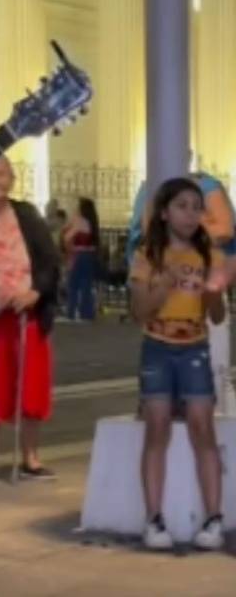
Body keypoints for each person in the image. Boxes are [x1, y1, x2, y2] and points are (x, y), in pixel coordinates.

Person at [131, 177, 225, 551]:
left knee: (203, 428)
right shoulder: (148, 255)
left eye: (196, 208)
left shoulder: (209, 256)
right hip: (156, 348)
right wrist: (164, 284)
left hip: (195, 349)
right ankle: (153, 519)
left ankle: (214, 518)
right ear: (165, 213)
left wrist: (214, 294)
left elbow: (216, 316)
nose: (190, 215)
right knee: (157, 428)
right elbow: (139, 311)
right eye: (182, 206)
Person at [0, 158, 60, 484]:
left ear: (12, 179)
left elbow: (49, 262)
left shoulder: (27, 215)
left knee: (31, 384)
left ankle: (31, 458)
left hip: (25, 313)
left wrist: (35, 293)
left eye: (1, 174)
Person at [61, 197, 100, 322]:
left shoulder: (77, 221)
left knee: (73, 285)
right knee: (86, 285)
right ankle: (86, 313)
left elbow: (67, 238)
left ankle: (71, 312)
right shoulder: (92, 222)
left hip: (77, 255)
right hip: (89, 256)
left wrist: (68, 250)